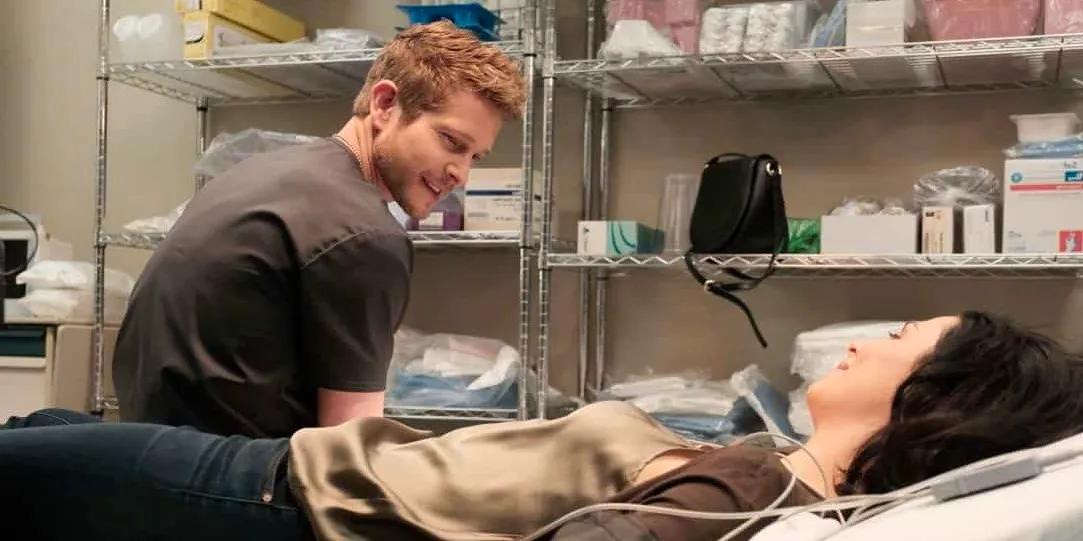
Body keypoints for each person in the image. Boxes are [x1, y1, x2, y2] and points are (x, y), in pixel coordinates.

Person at [3, 311, 1083, 541]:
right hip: (299, 471)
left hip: (280, 497)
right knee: (45, 422)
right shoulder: (769, 461)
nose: (859, 341)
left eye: (900, 338)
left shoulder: (750, 497)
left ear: (939, 394)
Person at [109, 21, 527, 438]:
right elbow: (349, 452)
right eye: (452, 142)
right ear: (384, 104)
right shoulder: (363, 234)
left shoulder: (262, 174)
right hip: (231, 480)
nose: (462, 174)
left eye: (476, 157)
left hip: (152, 458)